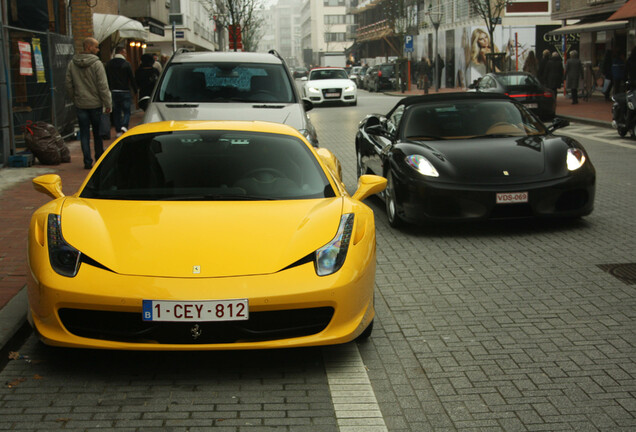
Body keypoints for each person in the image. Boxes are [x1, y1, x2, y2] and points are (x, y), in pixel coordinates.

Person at [65, 37, 112, 169]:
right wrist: (107, 103)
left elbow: (68, 84)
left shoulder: (72, 64)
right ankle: (99, 158)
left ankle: (87, 160)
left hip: (81, 103)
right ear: (89, 47)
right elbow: (103, 85)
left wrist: (74, 98)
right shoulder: (97, 64)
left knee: (84, 133)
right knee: (97, 133)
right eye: (96, 47)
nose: (98, 50)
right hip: (95, 103)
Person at [106, 45, 137, 137]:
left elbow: (106, 78)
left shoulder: (109, 64)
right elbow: (131, 78)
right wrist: (135, 90)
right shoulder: (126, 64)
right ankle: (125, 125)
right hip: (124, 90)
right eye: (125, 52)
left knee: (116, 111)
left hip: (114, 91)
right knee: (127, 110)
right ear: (122, 52)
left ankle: (118, 130)